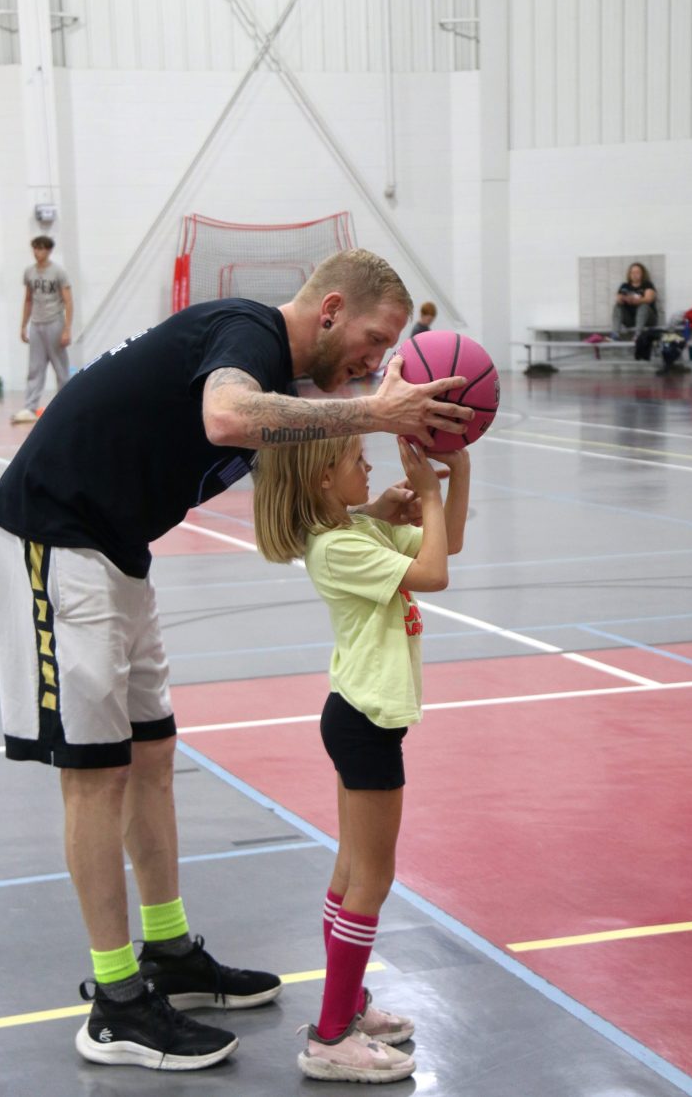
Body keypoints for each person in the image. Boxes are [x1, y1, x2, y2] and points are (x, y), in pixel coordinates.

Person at [0, 248, 472, 1073]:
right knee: (95, 771)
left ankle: (170, 953)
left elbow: (305, 491)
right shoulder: (249, 334)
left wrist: (407, 474)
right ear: (328, 310)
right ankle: (115, 1004)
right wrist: (373, 414)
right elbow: (227, 419)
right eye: (372, 340)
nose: (374, 363)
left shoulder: (287, 384)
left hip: (116, 545)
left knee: (152, 755)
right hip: (57, 533)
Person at [253, 431, 470, 1083]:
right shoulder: (342, 546)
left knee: (351, 872)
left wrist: (454, 474)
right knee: (372, 880)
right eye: (355, 460)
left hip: (357, 717)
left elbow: (447, 543)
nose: (368, 463)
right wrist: (428, 497)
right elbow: (434, 573)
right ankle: (329, 1037)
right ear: (324, 478)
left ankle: (345, 1004)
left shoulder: (354, 531)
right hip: (366, 724)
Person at [11, 235, 74, 424]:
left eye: (41, 249)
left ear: (49, 250)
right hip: (36, 324)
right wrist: (23, 325)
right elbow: (28, 299)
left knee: (61, 367)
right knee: (35, 367)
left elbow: (68, 301)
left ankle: (67, 403)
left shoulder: (58, 272)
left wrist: (67, 329)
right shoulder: (29, 272)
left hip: (54, 321)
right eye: (35, 248)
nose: (38, 252)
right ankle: (30, 407)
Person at [610, 262, 658, 339]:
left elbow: (649, 299)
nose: (634, 275)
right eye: (632, 272)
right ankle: (615, 334)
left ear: (643, 274)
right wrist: (623, 299)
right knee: (617, 306)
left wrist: (636, 300)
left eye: (637, 272)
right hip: (631, 319)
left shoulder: (647, 284)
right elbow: (618, 298)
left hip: (648, 319)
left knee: (644, 306)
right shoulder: (624, 286)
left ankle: (638, 334)